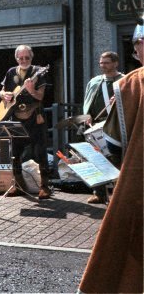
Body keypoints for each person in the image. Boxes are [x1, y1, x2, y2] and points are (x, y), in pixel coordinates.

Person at [79, 24, 143, 293]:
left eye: (138, 42)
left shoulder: (131, 83)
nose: (136, 48)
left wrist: (93, 160)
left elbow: (113, 145)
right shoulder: (99, 82)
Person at [0, 45, 51, 200]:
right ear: (16, 58)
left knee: (40, 153)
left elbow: (40, 97)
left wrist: (31, 90)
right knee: (14, 154)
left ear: (31, 57)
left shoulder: (38, 72)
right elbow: (1, 90)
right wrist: (5, 95)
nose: (23, 60)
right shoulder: (11, 72)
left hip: (35, 118)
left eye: (26, 57)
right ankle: (19, 186)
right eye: (20, 58)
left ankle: (45, 187)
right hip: (16, 117)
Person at [82, 51, 124, 204]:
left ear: (115, 63)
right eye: (101, 62)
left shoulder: (124, 81)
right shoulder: (95, 82)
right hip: (97, 125)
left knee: (116, 159)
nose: (103, 65)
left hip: (115, 126)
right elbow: (88, 101)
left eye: (106, 62)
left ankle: (118, 194)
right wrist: (87, 117)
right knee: (96, 160)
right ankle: (99, 193)